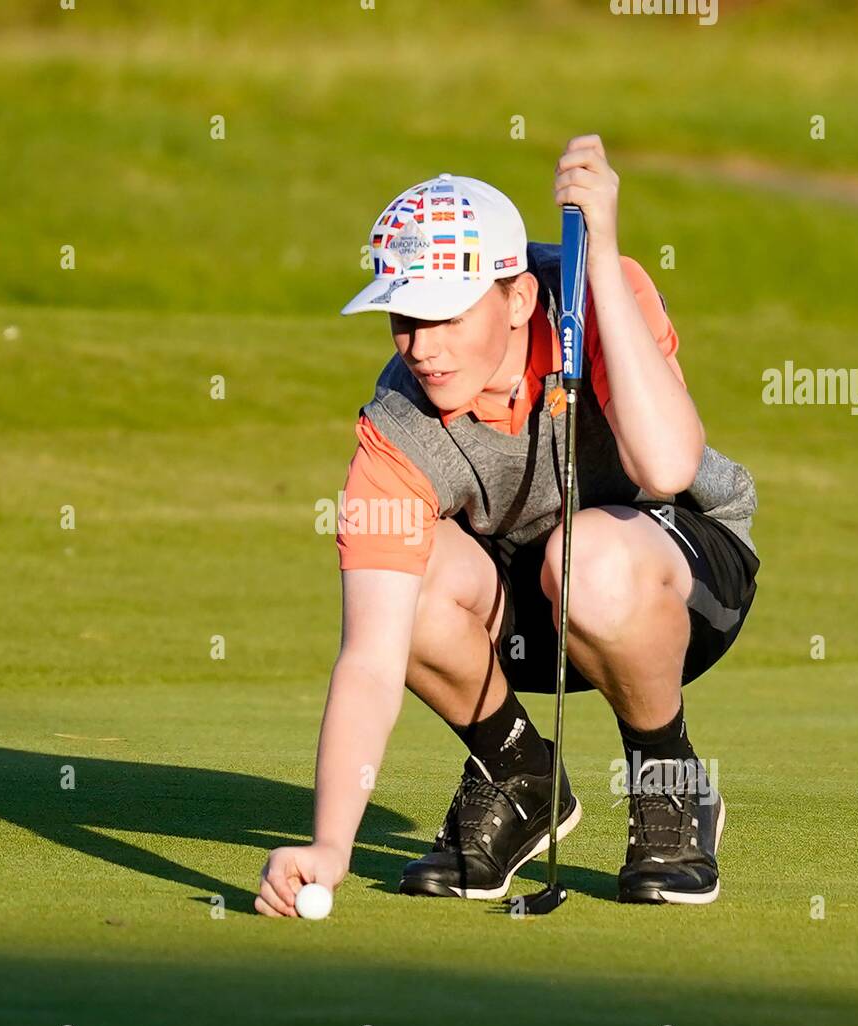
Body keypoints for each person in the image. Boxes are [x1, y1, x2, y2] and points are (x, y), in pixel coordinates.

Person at [255, 135, 760, 916]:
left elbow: (667, 467)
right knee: (414, 575)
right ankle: (518, 776)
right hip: (532, 606)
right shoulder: (398, 428)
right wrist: (331, 845)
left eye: (445, 315)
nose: (422, 348)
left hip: (681, 573)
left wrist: (604, 264)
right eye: (403, 316)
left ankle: (669, 778)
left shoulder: (601, 296)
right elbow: (370, 658)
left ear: (518, 299)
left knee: (584, 558)